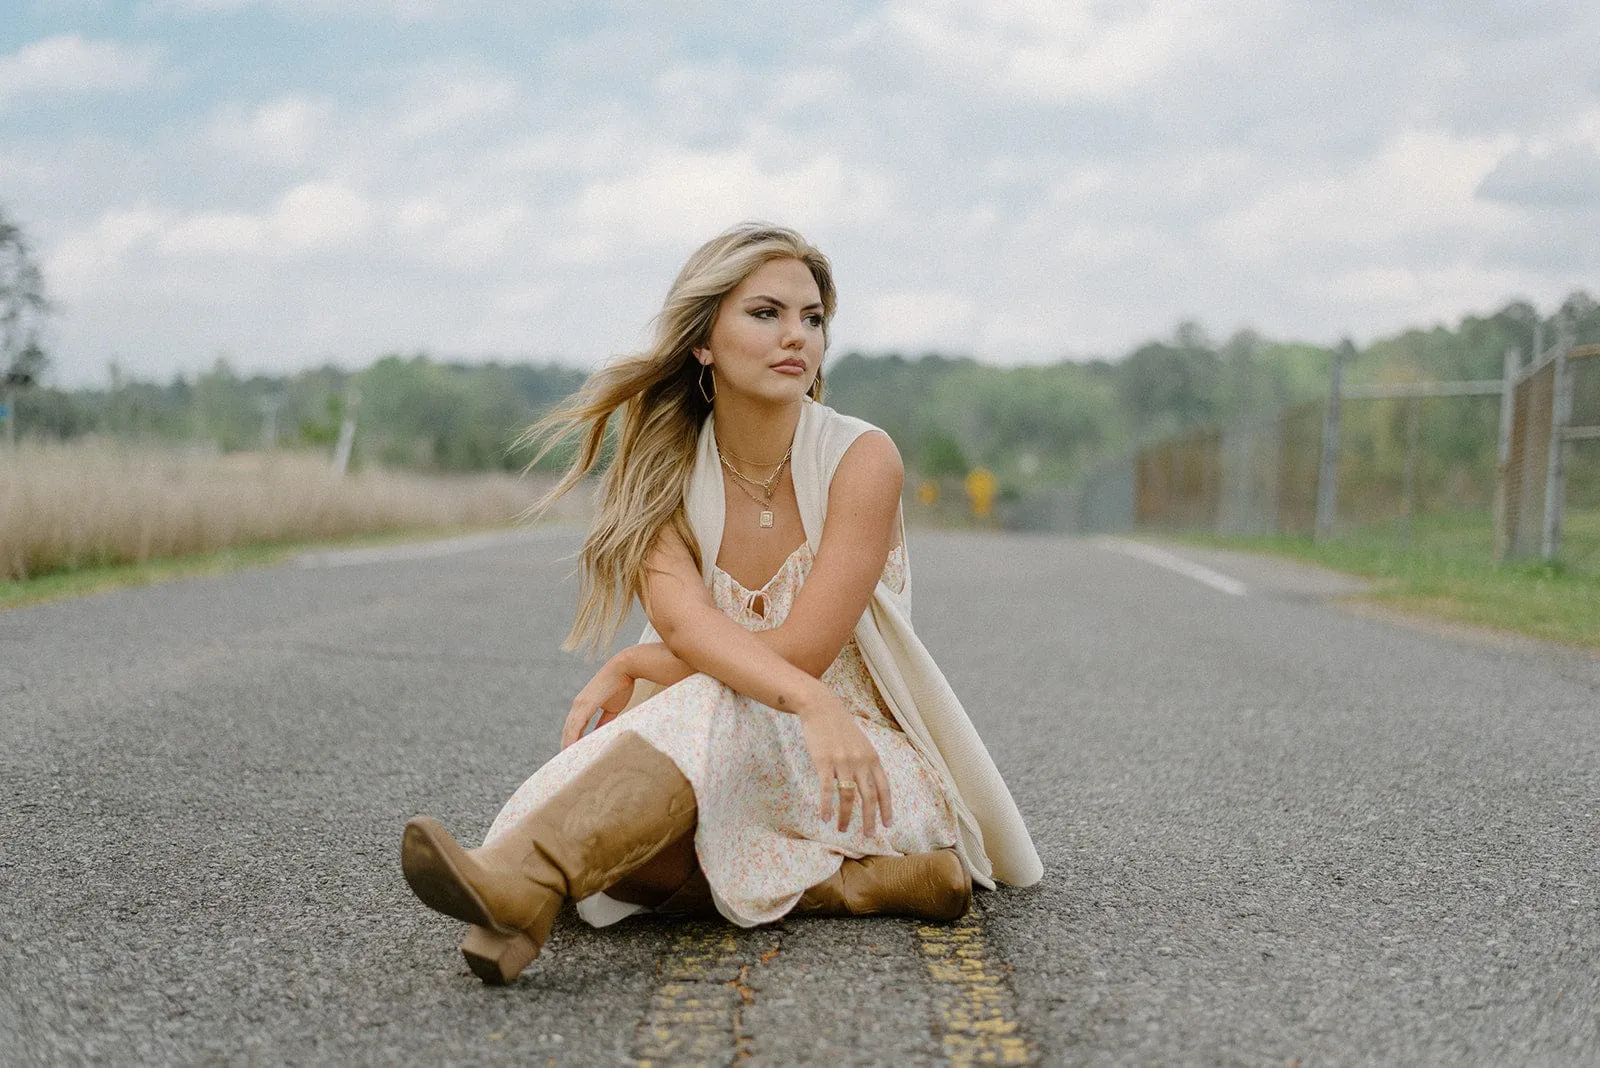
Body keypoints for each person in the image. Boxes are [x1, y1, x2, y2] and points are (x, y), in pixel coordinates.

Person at [401, 223, 1042, 985]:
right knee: (618, 834)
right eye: (766, 313)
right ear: (703, 341)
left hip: (856, 760)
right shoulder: (661, 472)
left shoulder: (861, 458)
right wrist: (678, 660)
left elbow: (801, 654)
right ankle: (850, 886)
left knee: (692, 727)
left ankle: (525, 883)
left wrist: (645, 663)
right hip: (724, 733)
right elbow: (691, 627)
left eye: (812, 318)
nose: (795, 336)